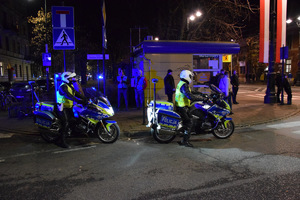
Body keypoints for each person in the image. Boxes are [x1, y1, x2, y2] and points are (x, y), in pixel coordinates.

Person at [175, 70, 207, 148]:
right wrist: (202, 98)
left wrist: (201, 94)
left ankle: (184, 133)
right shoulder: (184, 85)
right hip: (182, 107)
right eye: (190, 76)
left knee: (189, 120)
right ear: (187, 76)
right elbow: (190, 96)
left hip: (181, 106)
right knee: (189, 122)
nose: (191, 78)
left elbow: (190, 92)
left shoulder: (183, 84)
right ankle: (185, 141)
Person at [57, 72, 88, 148]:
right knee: (66, 122)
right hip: (62, 108)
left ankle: (73, 133)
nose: (72, 80)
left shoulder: (69, 85)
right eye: (70, 78)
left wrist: (84, 98)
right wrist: (78, 101)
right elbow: (68, 95)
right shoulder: (63, 87)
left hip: (69, 107)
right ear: (66, 79)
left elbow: (75, 93)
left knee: (75, 119)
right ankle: (62, 142)